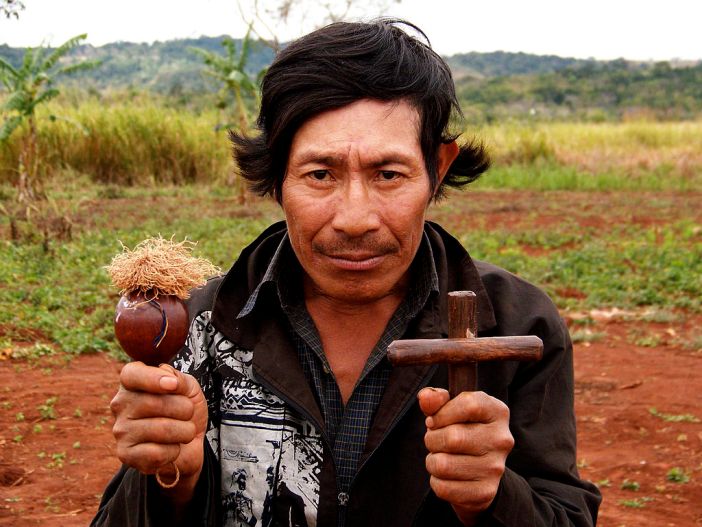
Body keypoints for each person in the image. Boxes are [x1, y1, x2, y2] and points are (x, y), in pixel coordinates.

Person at [92, 19, 601, 527]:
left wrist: (490, 497)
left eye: (388, 174)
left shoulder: (517, 326)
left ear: (438, 168)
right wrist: (174, 483)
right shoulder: (195, 325)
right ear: (277, 175)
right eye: (320, 174)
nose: (354, 219)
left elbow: (565, 514)